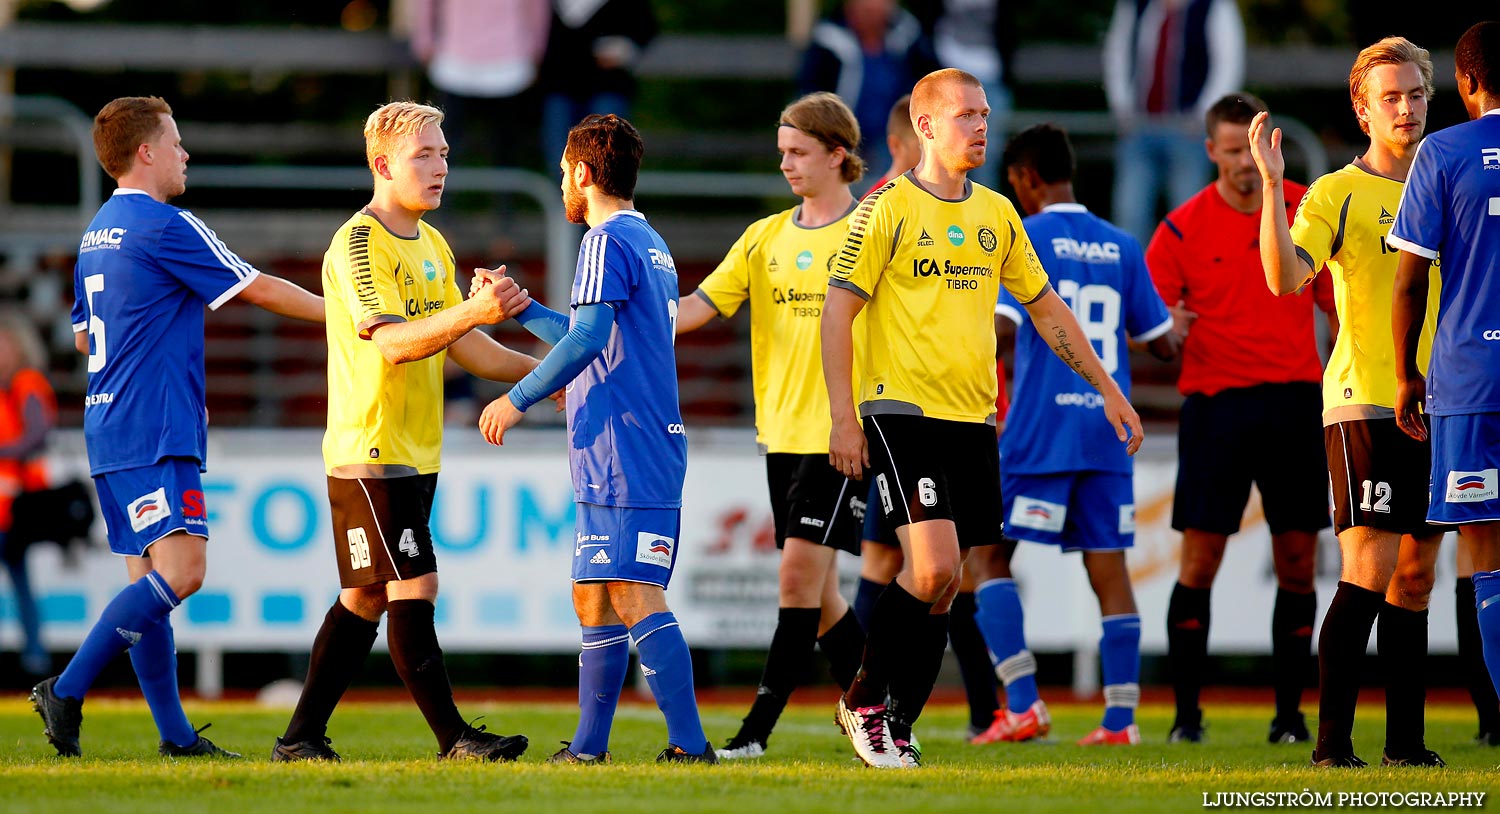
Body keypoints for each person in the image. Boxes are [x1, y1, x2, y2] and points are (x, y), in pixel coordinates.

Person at [823, 68, 1144, 769]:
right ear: (928, 127)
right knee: (932, 566)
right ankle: (864, 699)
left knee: (947, 585)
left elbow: (1047, 309)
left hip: (972, 417)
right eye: (965, 114)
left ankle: (897, 722)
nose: (980, 125)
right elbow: (837, 308)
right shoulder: (885, 209)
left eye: (985, 114)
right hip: (899, 407)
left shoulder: (998, 213)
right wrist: (843, 419)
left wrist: (1109, 387)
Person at [31, 96, 325, 758]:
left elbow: (83, 338)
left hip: (107, 424)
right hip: (155, 426)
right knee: (184, 572)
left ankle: (176, 738)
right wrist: (347, 316)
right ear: (147, 152)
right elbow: (255, 288)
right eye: (177, 142)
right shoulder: (164, 225)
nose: (185, 154)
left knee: (150, 585)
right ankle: (68, 689)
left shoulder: (96, 231)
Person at [270, 101, 538, 763]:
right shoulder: (359, 243)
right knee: (415, 586)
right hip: (371, 446)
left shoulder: (432, 244)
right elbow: (392, 344)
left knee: (363, 596)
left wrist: (547, 376)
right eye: (425, 155)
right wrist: (473, 311)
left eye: (444, 153)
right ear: (384, 165)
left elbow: (467, 348)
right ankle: (456, 740)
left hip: (414, 450)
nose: (441, 166)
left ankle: (299, 739)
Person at [478, 113, 715, 764]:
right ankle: (587, 750)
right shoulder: (648, 242)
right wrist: (522, 308)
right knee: (594, 593)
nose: (561, 183)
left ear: (583, 173)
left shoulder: (605, 242)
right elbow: (596, 335)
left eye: (562, 171)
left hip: (627, 445)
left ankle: (690, 747)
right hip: (617, 447)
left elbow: (586, 341)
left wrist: (516, 397)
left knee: (634, 592)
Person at [1250, 37, 1446, 769]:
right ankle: (1332, 746)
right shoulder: (1335, 191)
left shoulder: (1449, 180)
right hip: (1363, 400)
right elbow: (1284, 279)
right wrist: (1275, 186)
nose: (1406, 108)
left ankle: (1406, 745)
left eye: (1416, 94)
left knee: (1417, 576)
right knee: (1367, 566)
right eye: (1391, 97)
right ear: (1362, 110)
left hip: (1442, 401)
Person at [970, 123, 1179, 748]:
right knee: (1109, 568)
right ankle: (1121, 720)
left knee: (986, 557)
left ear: (1026, 179)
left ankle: (1025, 703)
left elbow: (1005, 332)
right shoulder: (1121, 245)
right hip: (1107, 433)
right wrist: (1181, 323)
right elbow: (1163, 344)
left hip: (1040, 430)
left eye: (1012, 185)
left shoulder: (1024, 235)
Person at [673, 92, 869, 760]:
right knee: (823, 597)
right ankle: (883, 719)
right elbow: (696, 309)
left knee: (795, 583)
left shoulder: (871, 233)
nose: (785, 164)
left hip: (841, 435)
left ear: (838, 154)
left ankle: (753, 736)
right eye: (781, 152)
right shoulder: (764, 238)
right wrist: (613, 325)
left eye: (798, 152)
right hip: (780, 435)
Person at [1147, 92, 1334, 745]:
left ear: (1271, 145)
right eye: (1230, 152)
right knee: (1199, 562)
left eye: (1251, 151)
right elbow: (1152, 331)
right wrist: (1166, 332)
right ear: (1210, 152)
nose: (1244, 165)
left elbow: (1345, 304)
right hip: (1216, 406)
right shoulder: (1179, 228)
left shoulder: (1309, 206)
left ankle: (1289, 717)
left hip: (1294, 401)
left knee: (1297, 559)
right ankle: (1185, 720)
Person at [1390, 20, 1500, 746]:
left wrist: (1406, 375)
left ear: (1463, 81)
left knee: (1486, 560)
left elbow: (1407, 282)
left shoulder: (1444, 150)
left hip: (1470, 380)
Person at [1103, 0, 1244, 244]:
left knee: (1186, 217)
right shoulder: (1135, 5)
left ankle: (1186, 280)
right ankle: (1132, 280)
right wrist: (1122, 108)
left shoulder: (1213, 6)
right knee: (1130, 213)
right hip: (1140, 125)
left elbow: (1228, 62)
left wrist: (1204, 115)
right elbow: (1118, 53)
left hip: (1188, 130)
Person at [799, 0, 940, 172]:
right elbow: (810, 95)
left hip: (898, 137)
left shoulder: (909, 36)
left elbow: (931, 84)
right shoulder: (827, 41)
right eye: (867, 7)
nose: (875, 9)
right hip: (842, 137)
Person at [407, 0, 550, 168]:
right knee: (503, 151)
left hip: (476, 66)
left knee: (446, 149)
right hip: (493, 66)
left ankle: (444, 192)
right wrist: (535, 51)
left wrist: (425, 44)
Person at [0, 314, 57, 679]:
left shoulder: (26, 382)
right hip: (8, 502)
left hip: (13, 503)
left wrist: (5, 451)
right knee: (21, 582)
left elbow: (38, 433)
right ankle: (35, 658)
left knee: (21, 583)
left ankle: (35, 659)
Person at [539, 0, 657, 175]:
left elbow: (646, 28)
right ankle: (566, 201)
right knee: (560, 159)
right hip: (560, 87)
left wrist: (622, 50)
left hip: (607, 87)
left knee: (606, 157)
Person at [865, 94, 921, 196]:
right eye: (921, 147)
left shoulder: (946, 195)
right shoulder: (873, 206)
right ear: (895, 145)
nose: (931, 155)